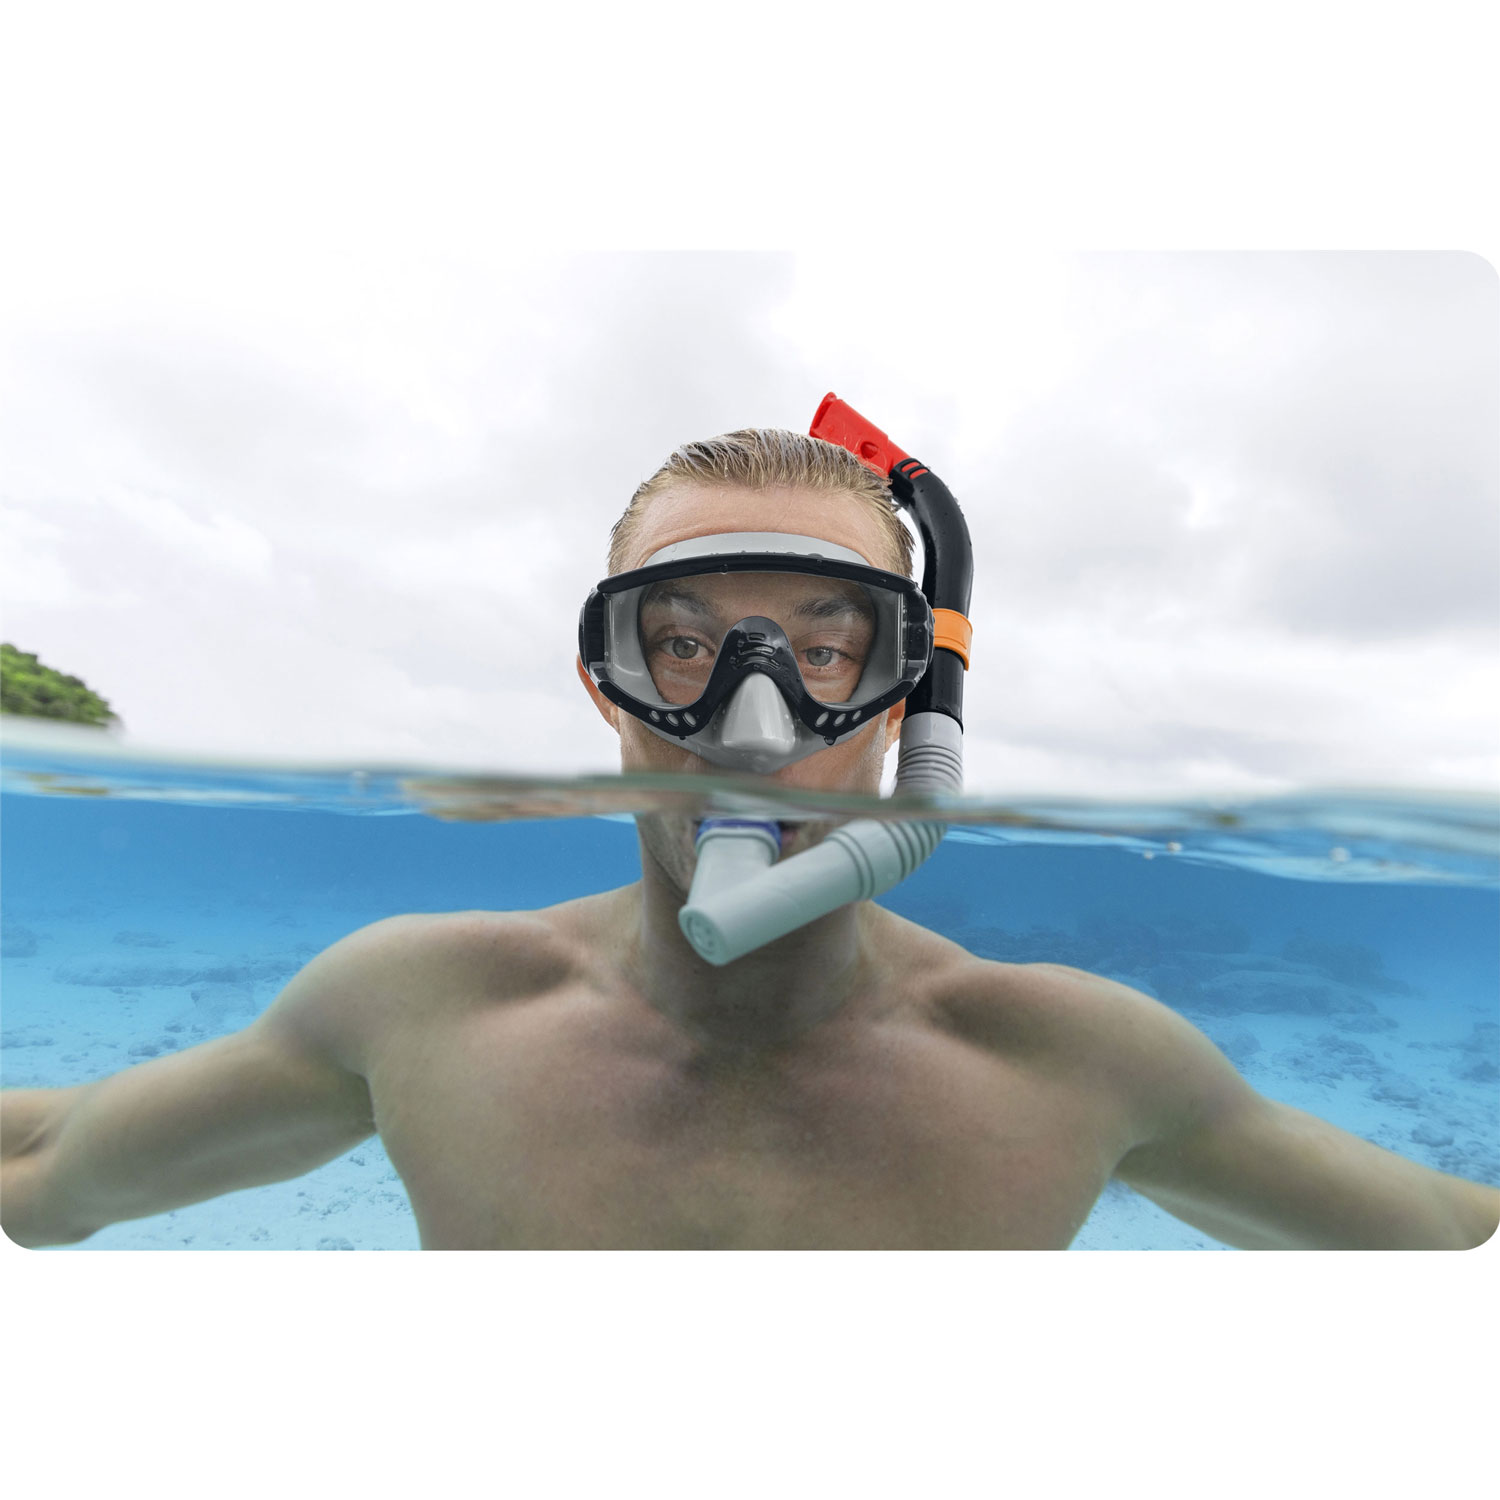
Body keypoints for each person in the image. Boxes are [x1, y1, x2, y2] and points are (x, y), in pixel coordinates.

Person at [3, 426, 1497, 1251]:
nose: (756, 725)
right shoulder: (420, 1009)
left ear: (913, 694)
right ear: (606, 681)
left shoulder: (1075, 1064)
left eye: (827, 647)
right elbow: (52, 1170)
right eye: (684, 643)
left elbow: (1453, 1235)